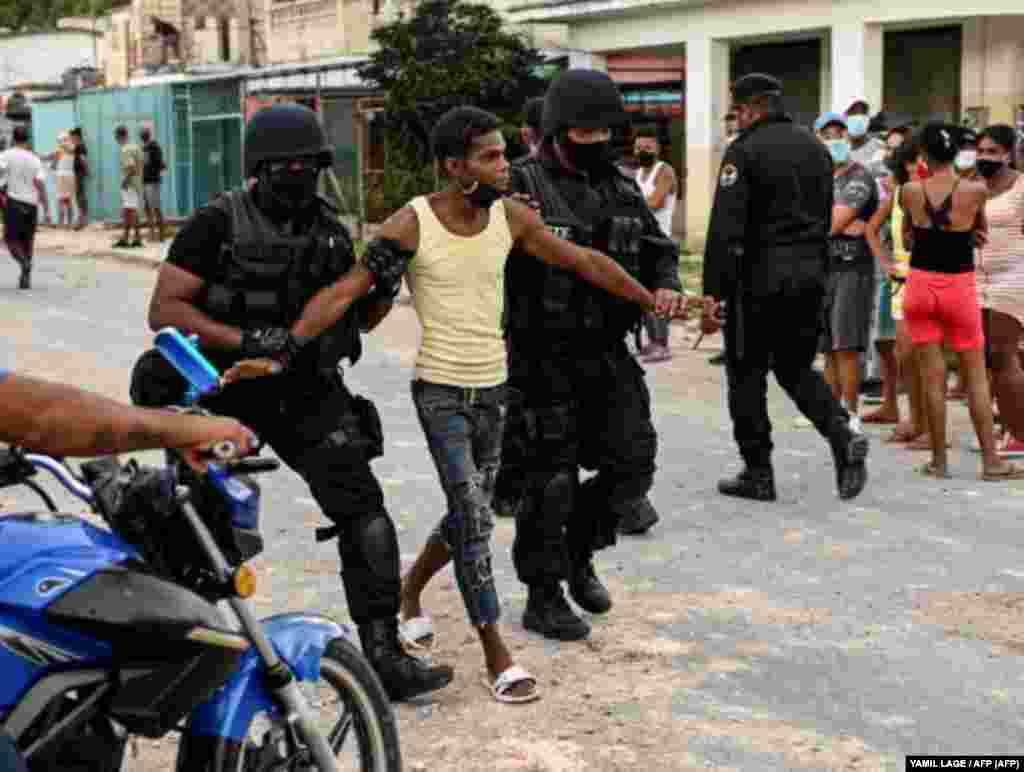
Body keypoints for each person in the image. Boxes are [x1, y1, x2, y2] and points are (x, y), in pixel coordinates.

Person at [292, 105, 661, 702]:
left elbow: (586, 262)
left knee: (473, 512)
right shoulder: (411, 224)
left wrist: (651, 299)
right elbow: (348, 299)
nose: (505, 164)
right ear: (453, 166)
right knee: (473, 514)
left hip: (495, 389)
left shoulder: (511, 218)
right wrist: (282, 349)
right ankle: (496, 650)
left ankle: (412, 589)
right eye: (489, 156)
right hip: (439, 391)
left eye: (502, 151)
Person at [133, 103, 454, 701]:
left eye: (307, 163)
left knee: (364, 511)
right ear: (259, 167)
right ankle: (189, 655)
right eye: (283, 165)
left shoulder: (332, 231)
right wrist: (246, 340)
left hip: (305, 388)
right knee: (201, 523)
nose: (296, 174)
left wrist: (381, 284)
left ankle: (384, 654)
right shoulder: (216, 224)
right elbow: (167, 311)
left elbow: (358, 321)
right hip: (225, 386)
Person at [500, 69, 686, 640]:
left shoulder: (621, 185)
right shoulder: (519, 185)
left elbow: (658, 252)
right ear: (556, 130)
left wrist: (669, 283)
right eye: (580, 133)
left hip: (607, 350)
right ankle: (543, 591)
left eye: (602, 133)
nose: (593, 143)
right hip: (541, 354)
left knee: (633, 463)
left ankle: (579, 555)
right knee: (550, 478)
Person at [702, 74, 868, 503]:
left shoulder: (744, 150)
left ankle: (758, 472)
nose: (735, 120)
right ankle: (840, 433)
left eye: (737, 111)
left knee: (745, 372)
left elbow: (726, 227)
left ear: (751, 108)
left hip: (757, 279)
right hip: (811, 275)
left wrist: (713, 292)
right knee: (794, 367)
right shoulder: (814, 147)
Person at [900, 122, 1023, 481]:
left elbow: (908, 239)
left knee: (932, 376)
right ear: (958, 153)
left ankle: (939, 461)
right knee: (975, 377)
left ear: (923, 155)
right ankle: (991, 461)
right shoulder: (975, 191)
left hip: (920, 287)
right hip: (959, 288)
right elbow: (979, 233)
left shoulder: (909, 190)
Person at [816, 112, 880, 426]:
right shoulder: (818, 176)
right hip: (822, 267)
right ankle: (830, 412)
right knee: (828, 346)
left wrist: (832, 222)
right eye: (826, 135)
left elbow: (833, 222)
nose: (833, 141)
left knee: (846, 344)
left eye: (838, 134)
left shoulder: (859, 177)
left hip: (852, 268)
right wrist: (832, 223)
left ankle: (850, 412)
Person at [867, 140, 929, 448]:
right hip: (900, 281)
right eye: (913, 160)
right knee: (905, 354)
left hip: (931, 278)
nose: (919, 166)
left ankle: (929, 426)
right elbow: (871, 229)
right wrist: (885, 260)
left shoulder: (938, 192)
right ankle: (915, 419)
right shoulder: (898, 194)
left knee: (926, 355)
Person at [974, 125, 1024, 454]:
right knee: (986, 358)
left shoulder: (1021, 187)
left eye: (992, 151)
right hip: (977, 279)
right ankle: (1006, 423)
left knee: (1002, 354)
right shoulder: (973, 187)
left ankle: (1019, 433)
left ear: (1007, 154)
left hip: (1015, 277)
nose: (984, 157)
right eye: (981, 151)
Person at [634, 127, 678, 364]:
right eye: (639, 148)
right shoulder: (638, 173)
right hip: (641, 242)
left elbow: (656, 201)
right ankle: (650, 341)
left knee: (659, 292)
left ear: (658, 149)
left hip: (661, 241)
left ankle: (662, 344)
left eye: (648, 148)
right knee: (643, 293)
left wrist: (632, 205)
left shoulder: (664, 171)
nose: (642, 152)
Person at [0, 125, 50, 290]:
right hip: (32, 204)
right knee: (28, 241)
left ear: (13, 139)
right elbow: (40, 183)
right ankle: (25, 277)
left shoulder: (6, 155)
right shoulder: (35, 159)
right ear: (27, 139)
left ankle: (24, 263)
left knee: (10, 240)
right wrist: (47, 207)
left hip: (14, 202)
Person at [114, 125, 143, 248]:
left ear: (118, 136)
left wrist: (125, 181)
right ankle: (132, 238)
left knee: (130, 211)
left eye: (116, 137)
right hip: (137, 183)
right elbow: (141, 164)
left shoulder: (125, 149)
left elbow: (131, 168)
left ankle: (129, 238)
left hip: (130, 184)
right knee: (130, 210)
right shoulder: (136, 147)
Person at [845, 99, 888, 178]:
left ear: (868, 120)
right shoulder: (839, 148)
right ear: (846, 119)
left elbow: (882, 174)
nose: (858, 120)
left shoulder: (879, 146)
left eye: (862, 115)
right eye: (853, 114)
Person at [141, 126, 167, 242]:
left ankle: (159, 234)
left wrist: (155, 169)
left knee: (154, 208)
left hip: (151, 181)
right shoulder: (148, 148)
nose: (142, 135)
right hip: (149, 181)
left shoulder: (151, 147)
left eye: (143, 133)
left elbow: (158, 164)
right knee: (150, 208)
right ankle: (154, 234)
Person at [69, 127, 89, 230]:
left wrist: (86, 169)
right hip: (79, 173)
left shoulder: (80, 146)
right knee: (80, 195)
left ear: (77, 136)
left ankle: (82, 219)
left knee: (80, 196)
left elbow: (83, 159)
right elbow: (72, 152)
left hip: (79, 173)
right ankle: (82, 219)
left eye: (72, 137)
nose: (71, 139)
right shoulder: (79, 146)